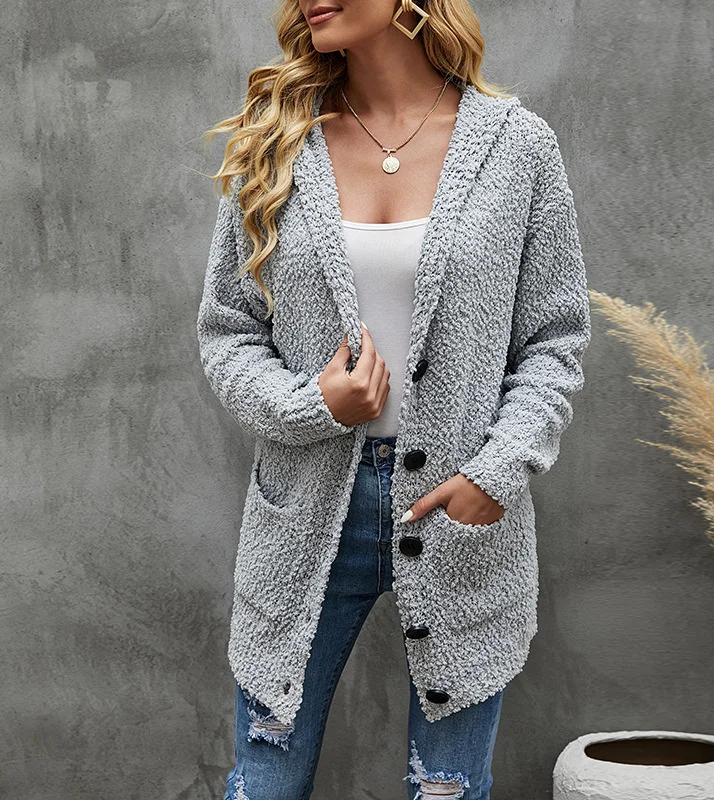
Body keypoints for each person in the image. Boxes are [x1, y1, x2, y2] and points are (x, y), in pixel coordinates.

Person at [197, 1, 592, 797]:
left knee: (447, 788)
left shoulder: (517, 147)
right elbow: (227, 333)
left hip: (458, 518)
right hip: (306, 515)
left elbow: (555, 340)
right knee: (264, 783)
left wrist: (497, 472)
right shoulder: (278, 141)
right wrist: (313, 404)